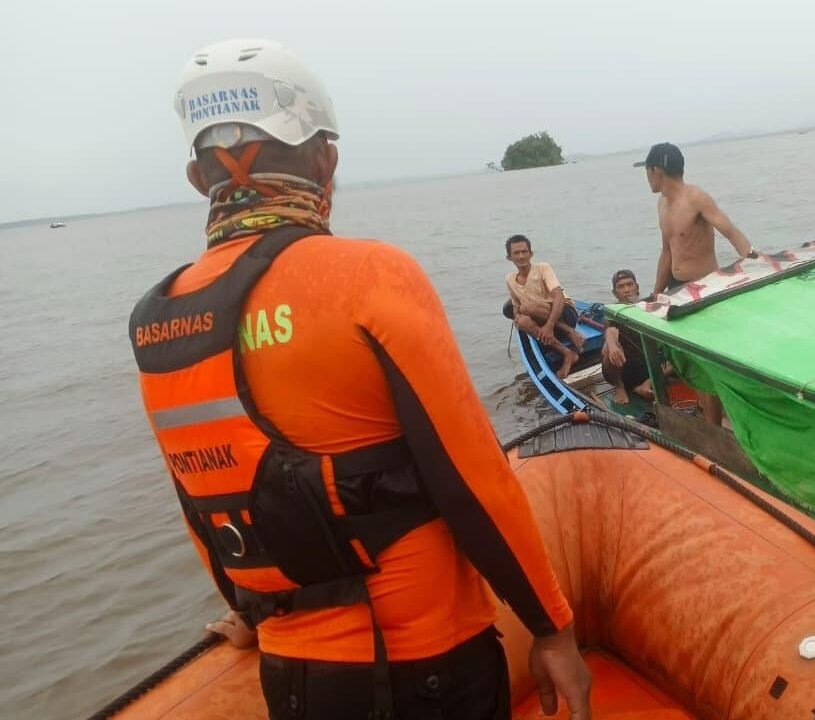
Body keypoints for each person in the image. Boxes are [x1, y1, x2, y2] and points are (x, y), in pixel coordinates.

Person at [129, 39, 591, 719]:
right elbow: (472, 478)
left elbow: (204, 512)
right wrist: (551, 624)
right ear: (327, 160)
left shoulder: (156, 320)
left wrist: (254, 618)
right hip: (430, 668)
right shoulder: (370, 276)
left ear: (199, 181)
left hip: (294, 678)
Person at [641, 142, 757, 427]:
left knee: (709, 365)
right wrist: (656, 293)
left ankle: (716, 428)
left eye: (647, 170)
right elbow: (667, 252)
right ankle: (711, 423)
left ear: (657, 170)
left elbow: (729, 230)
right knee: (691, 365)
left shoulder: (696, 198)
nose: (646, 177)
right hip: (677, 289)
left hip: (704, 288)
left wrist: (755, 259)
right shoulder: (662, 204)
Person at [504, 234, 584, 378]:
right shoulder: (510, 279)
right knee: (522, 320)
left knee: (527, 308)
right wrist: (519, 321)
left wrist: (549, 326)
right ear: (509, 257)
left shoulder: (542, 268)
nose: (521, 256)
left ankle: (567, 329)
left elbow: (558, 296)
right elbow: (516, 308)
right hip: (545, 322)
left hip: (564, 313)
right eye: (516, 253)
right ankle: (567, 353)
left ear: (531, 253)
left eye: (524, 252)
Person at [602, 269, 653, 405]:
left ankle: (646, 385)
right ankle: (619, 387)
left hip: (649, 367)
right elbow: (611, 331)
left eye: (630, 285)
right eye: (621, 287)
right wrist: (612, 346)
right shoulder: (613, 314)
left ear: (637, 288)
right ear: (615, 293)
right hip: (625, 370)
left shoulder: (647, 308)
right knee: (609, 349)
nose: (627, 290)